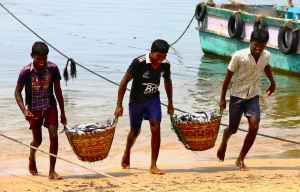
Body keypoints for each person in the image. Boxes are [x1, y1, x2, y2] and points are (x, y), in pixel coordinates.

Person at [217, 28, 276, 171]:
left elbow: (266, 66)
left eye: (261, 46)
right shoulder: (239, 56)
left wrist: (272, 82)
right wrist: (223, 98)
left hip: (253, 95)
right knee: (233, 129)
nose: (258, 48)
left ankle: (240, 159)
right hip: (237, 95)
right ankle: (224, 141)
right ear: (250, 42)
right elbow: (228, 77)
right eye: (256, 45)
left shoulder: (266, 55)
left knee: (254, 126)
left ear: (265, 45)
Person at [114, 39, 174, 175]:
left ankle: (153, 165)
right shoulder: (138, 62)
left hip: (153, 99)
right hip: (136, 101)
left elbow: (167, 81)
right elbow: (124, 82)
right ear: (151, 52)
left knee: (156, 127)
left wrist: (170, 103)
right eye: (158, 56)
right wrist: (119, 105)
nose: (161, 59)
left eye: (164, 57)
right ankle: (127, 152)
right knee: (134, 132)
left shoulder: (165, 65)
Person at [15, 41, 67, 180]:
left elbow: (58, 90)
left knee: (54, 136)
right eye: (39, 59)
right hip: (34, 109)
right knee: (37, 142)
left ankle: (52, 170)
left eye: (44, 59)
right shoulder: (26, 72)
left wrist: (62, 112)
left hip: (50, 106)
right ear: (32, 56)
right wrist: (24, 111)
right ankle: (32, 156)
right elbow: (17, 92)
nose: (42, 62)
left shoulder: (53, 69)